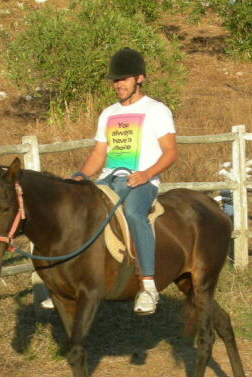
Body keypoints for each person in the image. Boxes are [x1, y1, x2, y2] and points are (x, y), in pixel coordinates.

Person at [73, 47, 178, 314]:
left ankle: (148, 287)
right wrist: (81, 176)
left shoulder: (157, 110)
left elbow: (171, 152)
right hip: (109, 179)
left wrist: (147, 174)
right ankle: (72, 284)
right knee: (78, 213)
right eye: (115, 80)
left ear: (139, 79)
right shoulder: (108, 113)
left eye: (123, 79)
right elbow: (99, 153)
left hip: (141, 180)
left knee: (133, 213)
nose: (118, 84)